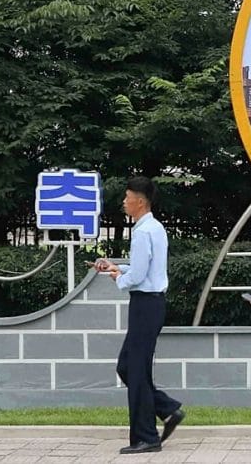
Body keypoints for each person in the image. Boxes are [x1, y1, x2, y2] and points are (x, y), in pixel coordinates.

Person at [95, 177, 184, 455]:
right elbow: (141, 266)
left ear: (140, 201)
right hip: (149, 304)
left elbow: (140, 274)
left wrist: (118, 277)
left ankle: (147, 436)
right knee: (131, 367)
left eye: (127, 196)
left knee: (133, 368)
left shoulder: (144, 231)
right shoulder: (152, 228)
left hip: (146, 304)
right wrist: (118, 266)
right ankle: (166, 410)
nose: (124, 201)